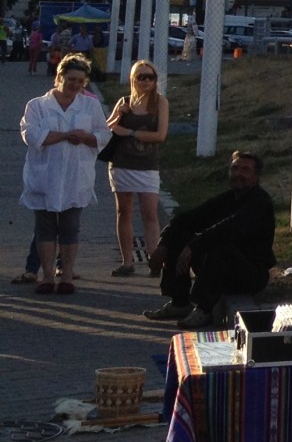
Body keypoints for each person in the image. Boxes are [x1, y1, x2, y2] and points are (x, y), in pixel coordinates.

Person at [144, 150, 276, 328]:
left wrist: (193, 246)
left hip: (250, 274)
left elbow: (229, 228)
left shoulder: (260, 203)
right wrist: (163, 244)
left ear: (256, 176)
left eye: (245, 170)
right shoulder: (228, 198)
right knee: (180, 235)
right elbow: (187, 219)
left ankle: (204, 309)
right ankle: (180, 303)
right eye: (235, 169)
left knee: (221, 247)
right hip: (218, 269)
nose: (238, 174)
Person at [19, 54, 112, 295]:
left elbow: (103, 135)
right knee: (45, 227)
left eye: (80, 81)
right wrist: (66, 135)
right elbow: (32, 136)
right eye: (70, 79)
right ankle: (47, 276)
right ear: (58, 77)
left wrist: (85, 137)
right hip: (44, 175)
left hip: (75, 176)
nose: (74, 85)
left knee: (70, 228)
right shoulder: (37, 106)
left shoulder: (89, 105)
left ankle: (67, 276)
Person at [105, 59, 168, 277]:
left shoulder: (160, 103)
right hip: (122, 164)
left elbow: (160, 135)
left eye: (150, 77)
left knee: (150, 213)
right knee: (124, 211)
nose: (146, 81)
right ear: (133, 79)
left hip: (148, 165)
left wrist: (131, 133)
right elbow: (108, 129)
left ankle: (155, 260)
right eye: (141, 77)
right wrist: (119, 113)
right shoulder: (124, 101)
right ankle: (127, 262)